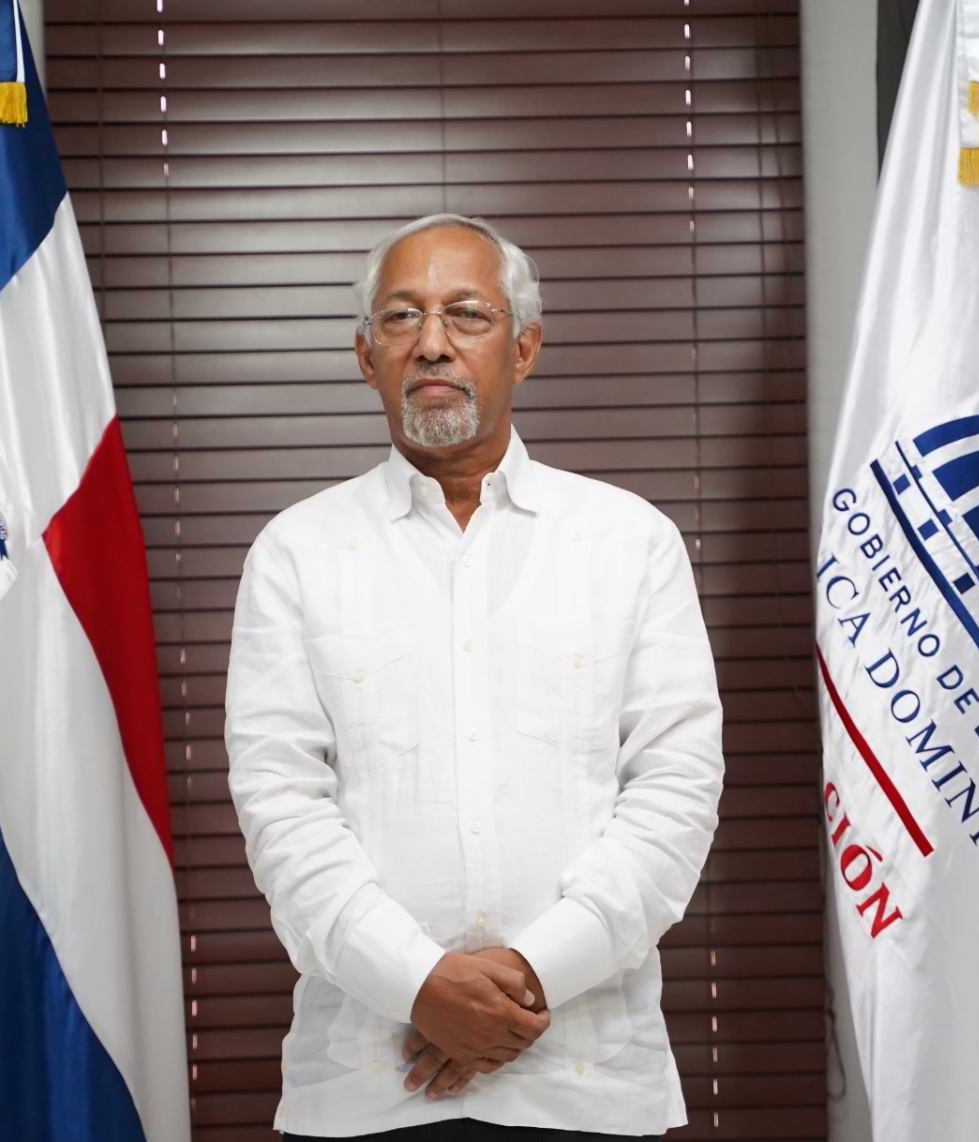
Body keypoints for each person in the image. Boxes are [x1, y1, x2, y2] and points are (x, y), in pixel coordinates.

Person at [225, 214, 724, 1141]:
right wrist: (417, 984)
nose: (433, 343)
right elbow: (280, 806)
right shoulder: (297, 553)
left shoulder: (630, 542)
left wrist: (527, 978)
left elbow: (676, 795)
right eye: (402, 318)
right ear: (365, 355)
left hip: (589, 1085)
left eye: (468, 314)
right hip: (368, 1090)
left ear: (525, 346)